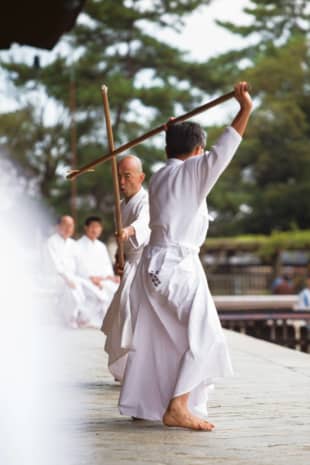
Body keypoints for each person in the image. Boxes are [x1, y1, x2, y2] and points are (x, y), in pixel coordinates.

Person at [119, 82, 253, 430]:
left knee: (160, 337)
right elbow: (223, 151)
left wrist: (172, 134)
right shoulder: (192, 172)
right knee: (205, 334)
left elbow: (183, 155)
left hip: (157, 265)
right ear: (197, 150)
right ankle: (177, 405)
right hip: (175, 266)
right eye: (201, 150)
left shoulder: (162, 174)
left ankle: (143, 404)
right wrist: (245, 109)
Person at [102, 155, 150, 382]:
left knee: (133, 313)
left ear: (141, 177)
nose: (121, 182)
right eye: (119, 176)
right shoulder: (120, 206)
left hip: (143, 265)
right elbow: (121, 247)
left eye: (127, 176)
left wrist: (129, 231)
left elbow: (144, 224)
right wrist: (117, 260)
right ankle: (126, 367)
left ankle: (139, 366)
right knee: (122, 314)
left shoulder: (147, 201)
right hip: (129, 264)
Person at [76, 216, 120, 328]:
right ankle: (87, 319)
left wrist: (110, 276)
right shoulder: (78, 245)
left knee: (116, 287)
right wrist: (92, 278)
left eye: (98, 227)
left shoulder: (101, 246)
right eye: (92, 227)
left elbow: (106, 265)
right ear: (86, 228)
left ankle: (109, 319)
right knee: (98, 293)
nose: (95, 230)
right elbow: (79, 266)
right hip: (86, 279)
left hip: (102, 279)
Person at [46, 215, 86, 328]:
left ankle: (81, 314)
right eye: (66, 225)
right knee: (71, 288)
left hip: (72, 277)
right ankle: (71, 318)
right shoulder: (51, 242)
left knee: (87, 285)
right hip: (55, 277)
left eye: (71, 225)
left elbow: (80, 265)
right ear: (58, 226)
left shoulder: (74, 244)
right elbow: (54, 265)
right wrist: (67, 279)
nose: (69, 228)